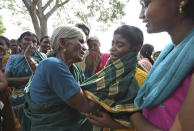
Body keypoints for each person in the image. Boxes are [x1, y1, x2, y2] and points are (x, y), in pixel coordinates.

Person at [86, 0, 194, 130]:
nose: (141, 15)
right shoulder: (169, 53)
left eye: (146, 4)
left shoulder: (136, 77)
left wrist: (128, 111)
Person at [24, 26, 98, 131]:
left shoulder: (74, 69)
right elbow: (85, 106)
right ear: (62, 43)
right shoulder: (52, 65)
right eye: (81, 42)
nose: (85, 47)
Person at [83, 25, 147, 131]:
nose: (112, 48)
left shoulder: (142, 80)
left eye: (119, 45)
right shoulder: (109, 74)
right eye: (112, 43)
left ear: (136, 48)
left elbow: (147, 121)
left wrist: (112, 123)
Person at [5, 31, 44, 131]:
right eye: (27, 39)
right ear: (19, 42)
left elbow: (44, 77)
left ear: (37, 45)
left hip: (39, 99)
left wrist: (29, 57)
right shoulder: (13, 58)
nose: (30, 43)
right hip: (20, 100)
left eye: (34, 41)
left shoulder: (42, 57)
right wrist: (32, 78)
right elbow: (6, 80)